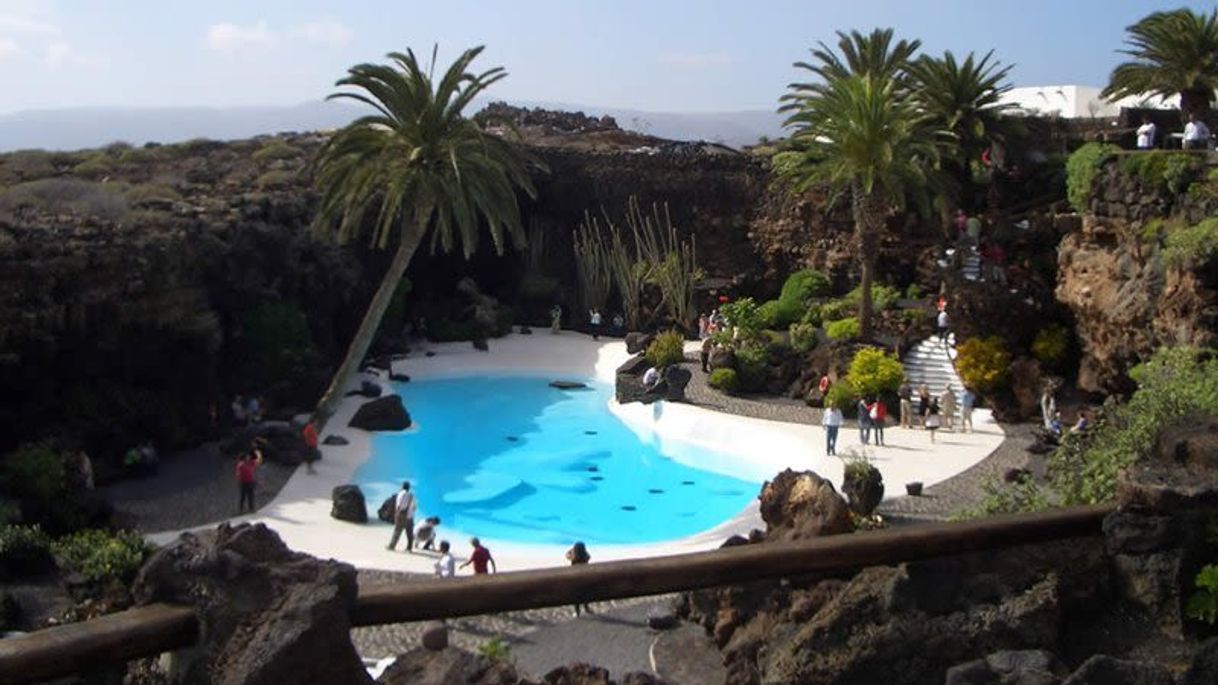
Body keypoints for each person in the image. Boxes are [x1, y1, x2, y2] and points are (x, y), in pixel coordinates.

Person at [386, 481, 417, 552]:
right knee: (409, 533)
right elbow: (415, 507)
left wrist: (396, 515)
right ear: (409, 488)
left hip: (401, 516)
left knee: (397, 531)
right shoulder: (412, 495)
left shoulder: (400, 494)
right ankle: (409, 548)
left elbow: (398, 506)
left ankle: (392, 546)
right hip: (410, 517)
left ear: (402, 486)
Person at [566, 541, 593, 616]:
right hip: (584, 577)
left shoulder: (574, 557)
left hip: (575, 578)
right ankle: (586, 608)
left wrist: (571, 550)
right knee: (585, 594)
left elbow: (567, 555)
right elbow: (589, 556)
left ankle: (577, 611)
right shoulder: (585, 556)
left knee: (576, 595)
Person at [235, 446, 263, 514]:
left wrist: (258, 453)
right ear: (244, 458)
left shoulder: (250, 462)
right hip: (244, 482)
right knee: (243, 496)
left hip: (250, 482)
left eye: (248, 456)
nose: (249, 457)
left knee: (251, 496)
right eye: (247, 456)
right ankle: (241, 509)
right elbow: (241, 473)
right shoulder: (241, 465)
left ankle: (251, 509)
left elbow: (258, 461)